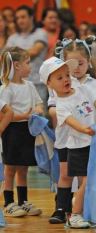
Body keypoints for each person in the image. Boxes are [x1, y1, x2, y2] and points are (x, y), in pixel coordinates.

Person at [39, 56, 96, 228]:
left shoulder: (81, 88)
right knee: (84, 180)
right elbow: (70, 121)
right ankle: (74, 214)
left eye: (67, 75)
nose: (66, 79)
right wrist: (84, 129)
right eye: (59, 78)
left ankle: (85, 212)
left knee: (92, 180)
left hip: (92, 143)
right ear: (49, 84)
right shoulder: (60, 104)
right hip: (77, 146)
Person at [48, 37, 96, 224]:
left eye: (81, 63)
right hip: (65, 137)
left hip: (87, 138)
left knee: (85, 177)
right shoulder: (59, 84)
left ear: (89, 62)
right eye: (72, 64)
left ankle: (85, 210)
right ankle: (61, 208)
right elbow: (52, 108)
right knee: (65, 175)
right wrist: (62, 111)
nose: (76, 68)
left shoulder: (93, 85)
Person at [0, 47, 44, 217]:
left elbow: (39, 103)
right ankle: (9, 202)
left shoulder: (30, 85)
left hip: (28, 130)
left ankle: (23, 201)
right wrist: (25, 115)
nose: (30, 66)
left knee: (23, 168)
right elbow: (5, 115)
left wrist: (38, 111)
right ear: (17, 65)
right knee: (10, 168)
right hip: (12, 131)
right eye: (27, 63)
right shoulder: (6, 88)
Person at [6, 5, 48, 113]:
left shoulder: (40, 33)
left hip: (37, 83)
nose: (20, 20)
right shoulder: (12, 38)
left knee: (39, 117)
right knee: (20, 117)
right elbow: (6, 57)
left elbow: (34, 51)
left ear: (31, 17)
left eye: (23, 17)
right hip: (17, 85)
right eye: (18, 18)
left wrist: (14, 55)